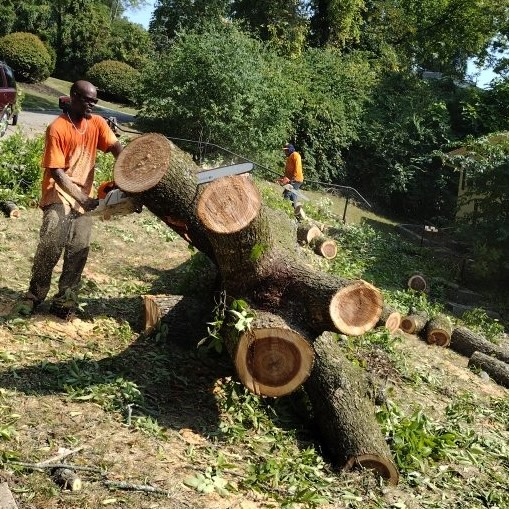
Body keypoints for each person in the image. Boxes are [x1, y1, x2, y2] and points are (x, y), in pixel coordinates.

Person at [19, 80, 122, 319]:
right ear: (73, 96)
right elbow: (57, 172)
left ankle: (65, 300)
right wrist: (82, 199)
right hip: (59, 191)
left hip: (83, 197)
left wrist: (129, 168)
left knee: (79, 248)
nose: (91, 105)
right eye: (87, 100)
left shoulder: (96, 123)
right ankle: (34, 295)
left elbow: (117, 149)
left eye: (94, 102)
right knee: (52, 242)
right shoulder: (58, 128)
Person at [277, 143, 304, 207]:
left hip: (296, 179)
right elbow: (288, 170)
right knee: (293, 195)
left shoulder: (295, 155)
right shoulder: (289, 157)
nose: (285, 152)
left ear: (290, 149)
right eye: (285, 150)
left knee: (287, 193)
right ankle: (296, 209)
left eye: (286, 150)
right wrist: (284, 178)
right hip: (292, 179)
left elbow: (297, 167)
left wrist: (293, 179)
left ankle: (283, 207)